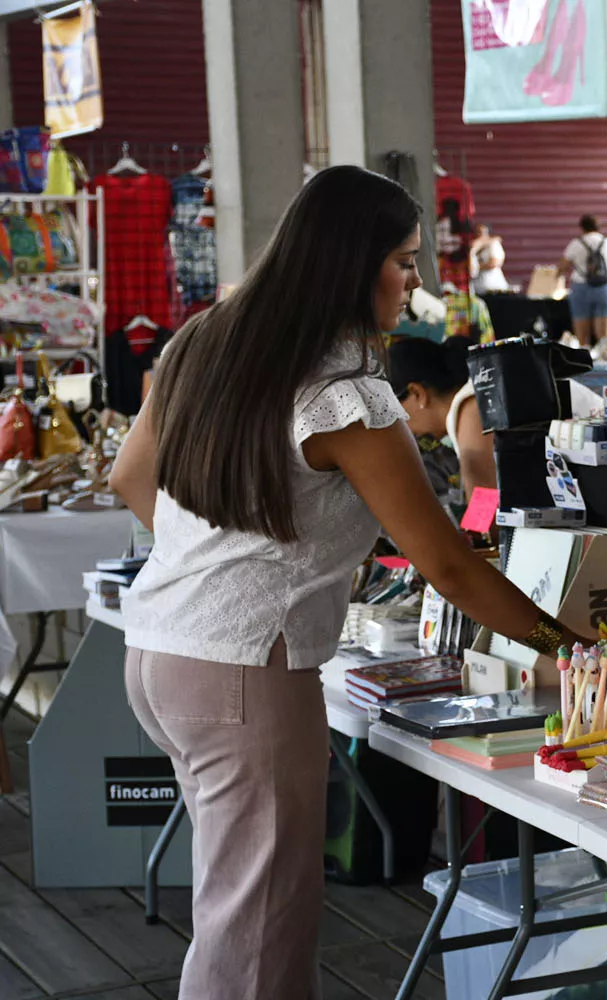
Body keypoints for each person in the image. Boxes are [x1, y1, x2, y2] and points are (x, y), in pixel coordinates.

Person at [108, 166, 581, 999]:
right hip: (243, 674)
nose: (418, 282)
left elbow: (128, 478)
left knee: (232, 902)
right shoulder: (345, 394)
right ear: (351, 263)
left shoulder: (207, 340)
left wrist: (216, 555)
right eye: (403, 260)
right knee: (257, 928)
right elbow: (444, 564)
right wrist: (569, 647)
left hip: (161, 651)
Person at [387, 335, 495, 502]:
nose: (402, 428)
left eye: (394, 414)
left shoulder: (469, 410)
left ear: (417, 393)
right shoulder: (475, 397)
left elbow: (485, 504)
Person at [557, 214, 607, 354]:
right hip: (605, 288)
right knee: (605, 335)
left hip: (581, 288)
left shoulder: (576, 243)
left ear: (582, 227)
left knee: (582, 337)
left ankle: (584, 367)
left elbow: (562, 266)